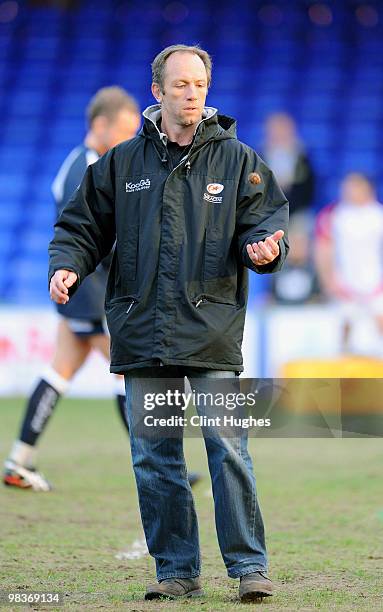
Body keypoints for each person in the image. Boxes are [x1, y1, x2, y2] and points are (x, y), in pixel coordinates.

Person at [48, 45, 289, 603]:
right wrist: (67, 265)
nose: (191, 93)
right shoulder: (119, 163)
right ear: (157, 91)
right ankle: (177, 571)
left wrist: (266, 250)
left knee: (227, 448)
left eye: (200, 84)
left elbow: (267, 223)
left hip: (213, 331)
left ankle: (249, 568)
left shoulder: (239, 161)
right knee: (155, 455)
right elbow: (80, 226)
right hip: (142, 330)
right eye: (180, 84)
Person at [3, 87, 141, 491]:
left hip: (83, 291)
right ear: (100, 126)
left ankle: (19, 459)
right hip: (89, 291)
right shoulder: (86, 168)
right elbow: (84, 237)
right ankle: (160, 463)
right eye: (124, 131)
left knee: (59, 372)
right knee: (129, 372)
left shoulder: (90, 163)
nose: (128, 141)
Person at [315, 172, 383, 354]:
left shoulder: (378, 216)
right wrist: (329, 280)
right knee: (344, 330)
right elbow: (323, 250)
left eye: (354, 186)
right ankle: (343, 374)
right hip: (343, 283)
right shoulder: (334, 215)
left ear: (367, 188)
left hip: (375, 282)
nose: (348, 190)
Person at [263, 112, 315, 220]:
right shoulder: (260, 155)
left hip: (297, 211)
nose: (279, 133)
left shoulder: (302, 155)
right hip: (268, 211)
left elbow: (308, 186)